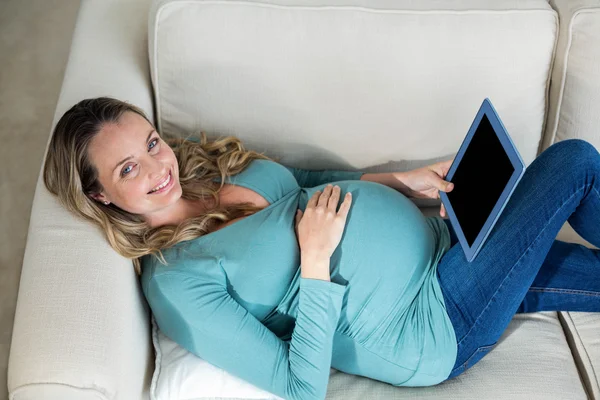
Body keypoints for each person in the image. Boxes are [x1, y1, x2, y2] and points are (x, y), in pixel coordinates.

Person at [43, 96, 600, 399]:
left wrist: (405, 182)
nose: (158, 167)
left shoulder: (198, 170)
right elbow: (298, 386)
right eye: (129, 168)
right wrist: (313, 264)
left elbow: (309, 180)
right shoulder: (175, 279)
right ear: (100, 194)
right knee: (572, 162)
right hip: (433, 322)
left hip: (449, 243)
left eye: (151, 143)